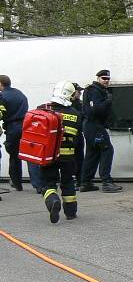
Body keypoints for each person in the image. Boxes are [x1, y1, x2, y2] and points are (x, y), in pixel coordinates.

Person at [37, 82, 82, 223]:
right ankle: (70, 213)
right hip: (68, 156)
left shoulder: (42, 110)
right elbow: (78, 139)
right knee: (68, 182)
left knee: (48, 182)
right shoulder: (75, 114)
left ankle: (53, 201)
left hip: (48, 155)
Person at [80, 70, 122, 193]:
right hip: (94, 126)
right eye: (104, 78)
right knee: (107, 150)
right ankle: (106, 182)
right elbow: (95, 110)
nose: (106, 81)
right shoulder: (94, 90)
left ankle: (85, 182)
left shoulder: (97, 90)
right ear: (98, 78)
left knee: (92, 153)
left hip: (92, 126)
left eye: (108, 79)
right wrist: (107, 101)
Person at [0, 74, 29, 191]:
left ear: (1, 84)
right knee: (24, 154)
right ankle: (35, 184)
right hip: (24, 125)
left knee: (13, 154)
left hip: (12, 127)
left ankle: (16, 182)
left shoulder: (2, 96)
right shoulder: (19, 93)